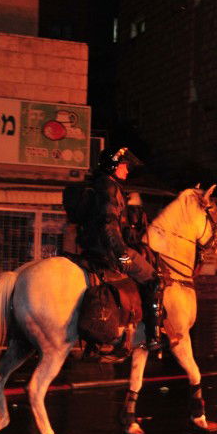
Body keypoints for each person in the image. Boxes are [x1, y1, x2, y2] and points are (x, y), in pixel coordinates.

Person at [74, 146, 164, 351]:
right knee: (155, 279)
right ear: (113, 166)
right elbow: (108, 224)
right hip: (107, 250)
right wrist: (121, 254)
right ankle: (153, 335)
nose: (127, 170)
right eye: (124, 165)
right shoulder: (110, 188)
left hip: (92, 247)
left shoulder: (97, 185)